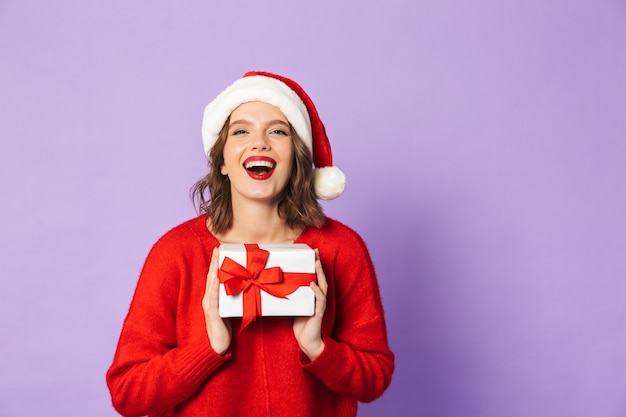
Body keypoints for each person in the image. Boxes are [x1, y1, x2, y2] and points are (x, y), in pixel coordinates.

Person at [106, 71, 394, 417]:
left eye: (277, 131)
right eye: (241, 131)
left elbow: (375, 378)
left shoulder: (341, 248)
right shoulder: (176, 252)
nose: (260, 143)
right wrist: (207, 348)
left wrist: (318, 348)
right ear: (222, 162)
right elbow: (128, 393)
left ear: (297, 157)